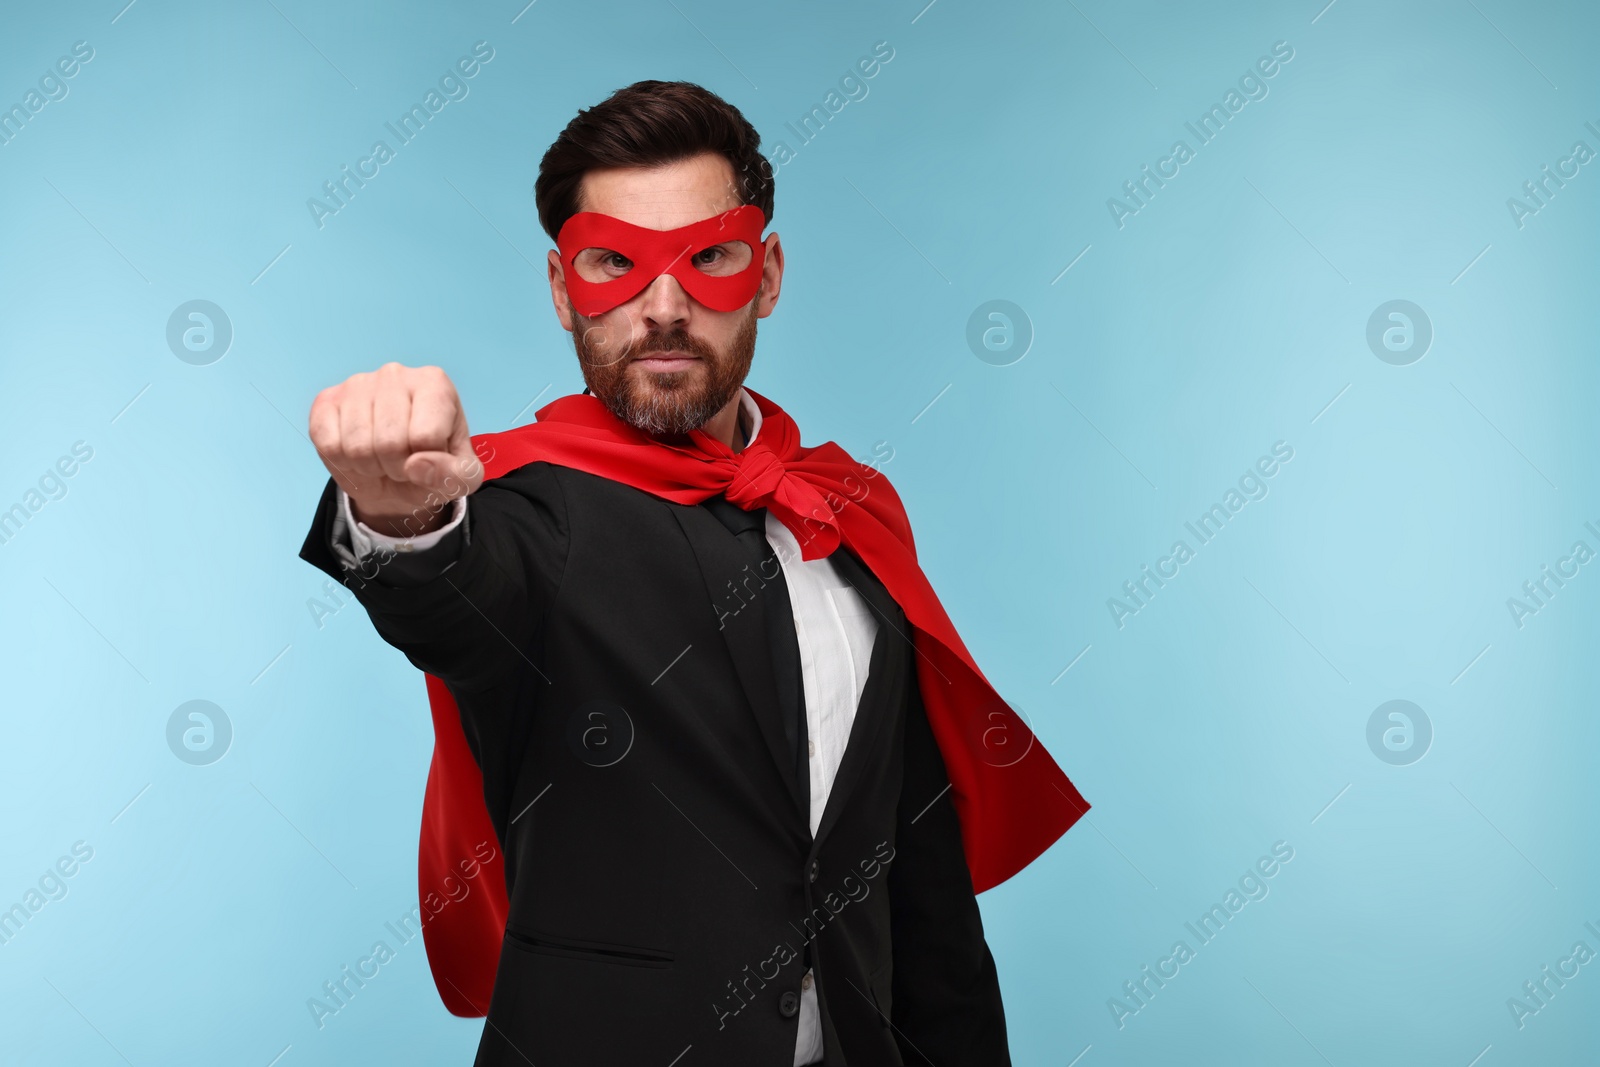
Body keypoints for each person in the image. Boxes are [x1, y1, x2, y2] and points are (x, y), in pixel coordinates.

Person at [298, 79, 1085, 1066]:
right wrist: (400, 512)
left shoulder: (845, 506)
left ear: (766, 274)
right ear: (558, 286)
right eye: (613, 264)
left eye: (708, 257)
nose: (662, 306)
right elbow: (455, 601)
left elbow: (912, 875)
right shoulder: (528, 511)